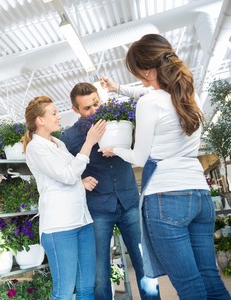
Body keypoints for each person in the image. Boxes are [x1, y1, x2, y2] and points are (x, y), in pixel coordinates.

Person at [99, 33, 231, 299]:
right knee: (210, 280)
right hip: (199, 194)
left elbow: (138, 157)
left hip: (166, 198)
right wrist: (118, 88)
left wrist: (115, 149)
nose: (136, 77)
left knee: (190, 286)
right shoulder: (187, 94)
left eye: (136, 71)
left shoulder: (150, 102)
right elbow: (149, 92)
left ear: (146, 69)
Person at [60, 82, 160, 300]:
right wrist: (80, 179)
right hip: (97, 210)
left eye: (96, 104)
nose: (94, 110)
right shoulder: (69, 138)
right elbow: (62, 173)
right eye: (87, 108)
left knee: (145, 264)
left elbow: (149, 98)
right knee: (99, 272)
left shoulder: (121, 120)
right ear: (75, 110)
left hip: (129, 203)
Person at [22, 95, 105, 299]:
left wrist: (81, 182)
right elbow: (67, 175)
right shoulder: (35, 147)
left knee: (87, 287)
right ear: (40, 120)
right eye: (54, 113)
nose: (59, 116)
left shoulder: (57, 142)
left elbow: (69, 173)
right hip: (59, 228)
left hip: (81, 221)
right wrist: (89, 142)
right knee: (64, 292)